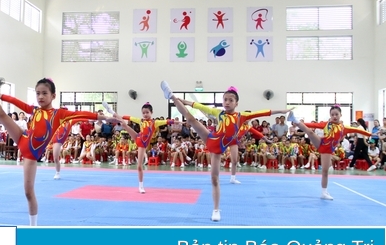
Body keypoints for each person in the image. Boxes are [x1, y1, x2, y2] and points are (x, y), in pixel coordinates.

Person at [0, 65, 117, 226]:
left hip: (31, 155)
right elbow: (17, 102)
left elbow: (82, 114)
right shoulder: (34, 110)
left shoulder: (59, 114)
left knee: (28, 192)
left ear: (53, 95)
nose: (40, 97)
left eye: (44, 93)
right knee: (1, 114)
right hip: (22, 139)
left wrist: (106, 118)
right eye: (38, 93)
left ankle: (33, 226)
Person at [160, 81, 291, 221]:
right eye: (225, 100)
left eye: (231, 100)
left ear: (236, 103)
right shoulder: (218, 113)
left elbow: (264, 112)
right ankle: (171, 96)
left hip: (218, 150)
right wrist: (181, 100)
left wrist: (281, 111)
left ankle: (216, 210)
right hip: (210, 138)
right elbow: (197, 105)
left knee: (214, 179)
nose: (227, 102)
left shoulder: (242, 117)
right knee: (190, 118)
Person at [287, 106, 372, 200]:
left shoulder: (344, 128)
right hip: (321, 142)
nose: (334, 116)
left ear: (341, 115)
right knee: (310, 132)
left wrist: (370, 134)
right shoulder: (327, 124)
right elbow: (313, 125)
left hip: (328, 149)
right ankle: (294, 119)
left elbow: (357, 130)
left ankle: (324, 192)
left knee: (325, 171)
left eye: (336, 114)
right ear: (330, 115)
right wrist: (297, 123)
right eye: (332, 114)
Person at [103, 101, 175, 193]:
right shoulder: (141, 121)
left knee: (139, 166)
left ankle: (141, 186)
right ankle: (111, 111)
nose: (145, 114)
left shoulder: (155, 122)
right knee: (124, 124)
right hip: (137, 137)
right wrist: (121, 116)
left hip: (142, 144)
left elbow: (167, 121)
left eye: (147, 112)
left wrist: (178, 121)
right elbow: (129, 117)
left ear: (151, 112)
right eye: (143, 113)